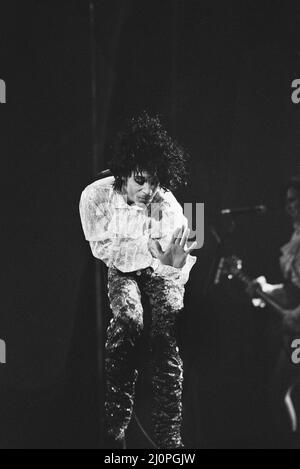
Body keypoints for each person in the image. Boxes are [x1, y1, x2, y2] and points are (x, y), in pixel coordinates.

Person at [79, 112, 198, 449]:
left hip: (161, 267)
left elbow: (176, 263)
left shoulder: (168, 208)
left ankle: (169, 438)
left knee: (166, 329)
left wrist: (167, 263)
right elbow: (102, 250)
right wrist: (136, 244)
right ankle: (114, 431)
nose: (149, 190)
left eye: (156, 182)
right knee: (129, 321)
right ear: (125, 174)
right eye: (141, 180)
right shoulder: (97, 197)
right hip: (123, 264)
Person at [251, 176, 300, 442]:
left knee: (282, 387)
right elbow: (293, 289)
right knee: (280, 390)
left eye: (294, 200)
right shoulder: (296, 236)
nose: (289, 206)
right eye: (287, 201)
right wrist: (266, 289)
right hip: (296, 337)